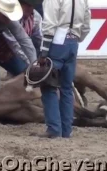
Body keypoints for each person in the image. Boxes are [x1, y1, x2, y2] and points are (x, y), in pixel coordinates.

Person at [37, 0, 91, 138]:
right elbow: (86, 25)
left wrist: (43, 52)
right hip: (73, 42)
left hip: (56, 43)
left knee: (49, 86)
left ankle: (54, 129)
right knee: (66, 88)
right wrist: (76, 38)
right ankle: (66, 130)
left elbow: (49, 23)